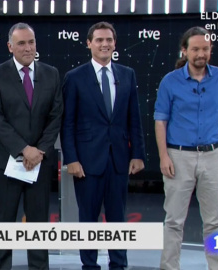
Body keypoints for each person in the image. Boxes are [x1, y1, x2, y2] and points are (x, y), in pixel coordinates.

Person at [60, 21, 145, 270]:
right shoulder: (74, 78)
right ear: (89, 44)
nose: (104, 44)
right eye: (99, 40)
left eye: (109, 40)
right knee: (88, 219)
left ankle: (118, 264)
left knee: (118, 218)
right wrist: (71, 159)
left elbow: (134, 119)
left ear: (114, 43)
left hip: (119, 159)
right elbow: (68, 123)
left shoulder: (127, 74)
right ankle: (90, 266)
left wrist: (138, 154)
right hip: (86, 162)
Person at [155, 26, 218, 270]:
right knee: (173, 221)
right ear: (185, 51)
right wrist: (163, 156)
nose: (201, 53)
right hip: (178, 156)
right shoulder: (170, 81)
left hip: (213, 156)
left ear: (210, 50)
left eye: (205, 49)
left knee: (215, 222)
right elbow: (160, 120)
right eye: (196, 49)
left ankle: (217, 266)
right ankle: (169, 267)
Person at [0, 22, 63, 269]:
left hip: (39, 163)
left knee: (38, 226)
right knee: (3, 225)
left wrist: (38, 151)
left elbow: (56, 116)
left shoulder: (51, 73)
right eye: (21, 43)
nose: (27, 48)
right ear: (10, 47)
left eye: (31, 42)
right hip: (4, 162)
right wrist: (23, 149)